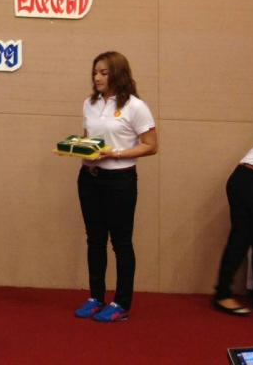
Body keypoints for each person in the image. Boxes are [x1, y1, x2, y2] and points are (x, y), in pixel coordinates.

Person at [73, 51, 158, 323]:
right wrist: (79, 148)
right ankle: (96, 297)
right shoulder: (89, 103)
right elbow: (89, 139)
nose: (97, 77)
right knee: (94, 239)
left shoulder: (135, 106)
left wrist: (116, 153)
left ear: (118, 74)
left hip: (120, 181)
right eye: (95, 72)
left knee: (120, 242)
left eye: (104, 72)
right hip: (89, 178)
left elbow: (151, 145)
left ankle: (121, 302)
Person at [212, 142, 253, 317]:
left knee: (252, 239)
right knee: (241, 238)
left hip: (246, 179)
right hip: (250, 180)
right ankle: (222, 294)